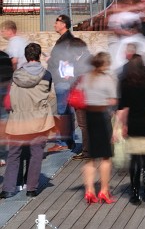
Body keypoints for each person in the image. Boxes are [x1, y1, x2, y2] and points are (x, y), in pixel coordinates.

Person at [0, 43, 56, 199]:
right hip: (39, 120)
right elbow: (47, 93)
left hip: (18, 119)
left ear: (26, 56)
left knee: (13, 155)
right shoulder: (47, 75)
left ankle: (8, 189)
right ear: (39, 56)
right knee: (36, 154)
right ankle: (31, 188)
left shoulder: (16, 75)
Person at [117, 54, 145, 205]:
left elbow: (124, 108)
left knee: (134, 160)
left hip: (133, 124)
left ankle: (135, 192)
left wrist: (122, 125)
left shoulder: (126, 82)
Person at [49, 14, 91, 156]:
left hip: (63, 80)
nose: (55, 24)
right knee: (66, 112)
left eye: (57, 22)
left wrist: (53, 62)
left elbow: (69, 60)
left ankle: (64, 142)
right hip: (63, 79)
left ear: (63, 24)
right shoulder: (65, 40)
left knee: (64, 112)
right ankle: (68, 141)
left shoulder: (67, 41)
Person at [82, 52, 118, 204]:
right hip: (103, 117)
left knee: (90, 157)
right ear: (105, 64)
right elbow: (113, 100)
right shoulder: (107, 79)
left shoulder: (86, 78)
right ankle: (104, 190)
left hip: (89, 117)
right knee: (105, 157)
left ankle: (89, 190)